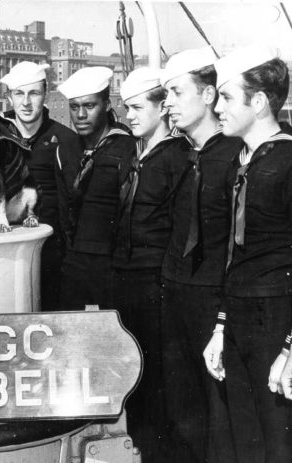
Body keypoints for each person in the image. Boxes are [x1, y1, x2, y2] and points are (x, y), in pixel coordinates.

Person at [205, 44, 292, 463]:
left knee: (278, 445)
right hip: (239, 319)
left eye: (226, 97)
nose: (218, 107)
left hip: (277, 321)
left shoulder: (289, 160)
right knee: (246, 445)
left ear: (258, 103)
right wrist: (222, 326)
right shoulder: (243, 161)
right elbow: (233, 256)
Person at [160, 47, 244, 463]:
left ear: (209, 95)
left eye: (176, 92)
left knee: (218, 415)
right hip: (175, 294)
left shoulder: (235, 156)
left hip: (215, 301)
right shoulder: (177, 156)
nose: (168, 103)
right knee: (180, 411)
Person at [111, 66, 189, 462]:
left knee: (158, 378)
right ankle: (143, 449)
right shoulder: (134, 154)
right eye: (126, 108)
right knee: (135, 375)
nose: (129, 115)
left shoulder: (177, 158)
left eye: (138, 107)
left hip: (156, 284)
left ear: (162, 108)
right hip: (128, 281)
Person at [0, 61, 81, 311]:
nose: (26, 102)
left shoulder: (66, 140)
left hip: (50, 253)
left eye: (33, 93)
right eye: (19, 94)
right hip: (4, 252)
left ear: (45, 94)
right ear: (9, 98)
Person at [57, 66, 136, 310]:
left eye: (89, 106)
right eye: (74, 107)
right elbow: (63, 208)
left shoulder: (126, 148)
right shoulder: (65, 150)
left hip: (112, 264)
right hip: (74, 261)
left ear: (107, 105)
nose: (80, 114)